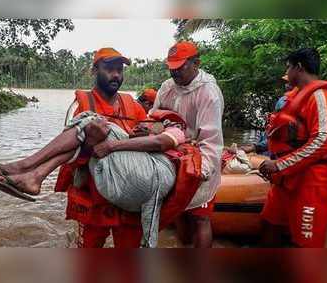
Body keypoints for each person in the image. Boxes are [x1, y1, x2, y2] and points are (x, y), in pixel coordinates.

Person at [0, 109, 190, 247]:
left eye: (153, 122)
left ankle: (29, 169)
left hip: (122, 194)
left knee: (91, 121)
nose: (145, 124)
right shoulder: (85, 103)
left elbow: (158, 142)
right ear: (96, 70)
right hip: (95, 193)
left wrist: (112, 144)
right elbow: (80, 153)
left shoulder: (169, 131)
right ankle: (33, 175)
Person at [55, 48, 147, 248]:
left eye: (119, 70)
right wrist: (90, 145)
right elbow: (68, 156)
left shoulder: (133, 105)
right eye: (109, 69)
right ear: (94, 71)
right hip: (93, 197)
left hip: (129, 196)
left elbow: (150, 143)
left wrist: (148, 132)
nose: (116, 75)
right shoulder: (80, 107)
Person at [259, 48, 327, 247]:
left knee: (305, 245)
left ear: (298, 67)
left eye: (288, 67)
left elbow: (323, 141)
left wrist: (279, 164)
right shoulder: (295, 96)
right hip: (288, 178)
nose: (287, 72)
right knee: (269, 224)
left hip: (312, 180)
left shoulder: (321, 97)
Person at [150, 41, 224, 248]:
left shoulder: (208, 92)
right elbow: (154, 117)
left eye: (180, 67)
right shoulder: (166, 88)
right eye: (171, 68)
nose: (175, 73)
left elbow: (212, 138)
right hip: (173, 155)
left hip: (200, 156)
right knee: (179, 212)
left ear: (196, 63)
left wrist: (204, 170)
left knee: (201, 217)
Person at [240, 75, 294, 156]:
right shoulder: (282, 99)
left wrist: (255, 147)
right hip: (269, 142)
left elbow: (281, 136)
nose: (286, 85)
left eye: (289, 83)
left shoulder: (290, 103)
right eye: (286, 83)